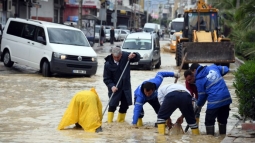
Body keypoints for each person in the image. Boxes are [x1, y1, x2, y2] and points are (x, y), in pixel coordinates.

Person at [190, 63, 232, 135]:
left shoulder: (199, 80)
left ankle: (210, 139)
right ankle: (222, 137)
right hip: (226, 98)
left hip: (214, 101)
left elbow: (202, 96)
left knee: (209, 121)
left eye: (192, 73)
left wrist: (198, 105)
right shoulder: (213, 67)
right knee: (222, 120)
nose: (193, 75)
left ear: (194, 70)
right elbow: (226, 69)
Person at [103, 47, 141, 123]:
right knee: (112, 105)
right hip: (115, 87)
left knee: (125, 105)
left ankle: (120, 122)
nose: (117, 59)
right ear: (112, 55)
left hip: (125, 87)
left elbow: (137, 57)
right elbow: (106, 78)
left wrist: (134, 55)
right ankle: (109, 123)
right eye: (115, 57)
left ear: (121, 54)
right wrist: (112, 86)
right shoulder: (108, 64)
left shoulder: (126, 56)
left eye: (118, 57)